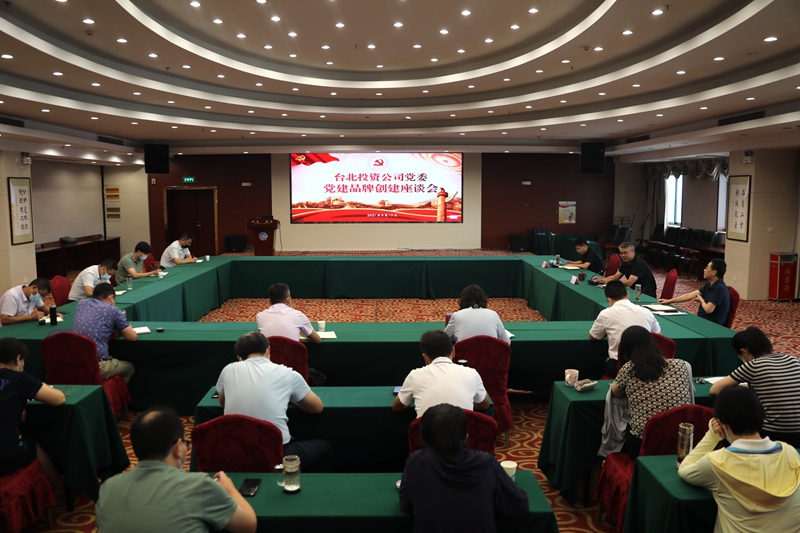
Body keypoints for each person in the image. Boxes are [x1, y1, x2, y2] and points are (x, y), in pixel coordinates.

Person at [96, 406, 257, 533]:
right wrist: (229, 488)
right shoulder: (199, 485)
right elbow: (248, 525)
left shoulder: (107, 488)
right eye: (185, 443)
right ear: (178, 448)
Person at [679, 386, 800, 533]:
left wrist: (712, 437)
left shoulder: (717, 462)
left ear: (722, 423)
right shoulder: (791, 454)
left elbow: (684, 469)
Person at [399, 404, 529, 533]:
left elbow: (405, 505)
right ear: (465, 435)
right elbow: (518, 506)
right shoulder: (487, 463)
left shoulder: (415, 462)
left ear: (424, 438)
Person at [215, 331, 332, 472]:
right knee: (324, 447)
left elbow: (223, 403)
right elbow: (316, 407)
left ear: (239, 357)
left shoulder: (227, 370)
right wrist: (290, 397)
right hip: (276, 452)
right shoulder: (287, 374)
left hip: (234, 449)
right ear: (268, 350)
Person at [709, 327, 800, 447]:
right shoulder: (793, 360)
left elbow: (715, 389)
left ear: (744, 352)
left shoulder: (753, 365)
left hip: (773, 433)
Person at [611, 325, 692, 458]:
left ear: (625, 350)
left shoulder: (629, 369)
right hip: (680, 440)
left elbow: (616, 393)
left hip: (644, 443)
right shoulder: (681, 365)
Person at [0, 338, 66, 499]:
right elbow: (58, 399)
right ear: (18, 359)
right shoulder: (17, 379)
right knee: (32, 445)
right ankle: (60, 488)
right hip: (4, 457)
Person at [393, 330, 490, 417]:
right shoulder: (472, 374)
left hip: (427, 431)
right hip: (462, 430)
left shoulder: (415, 375)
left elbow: (397, 406)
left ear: (425, 357)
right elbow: (484, 405)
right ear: (453, 351)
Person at [589, 280, 661, 377]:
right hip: (646, 364)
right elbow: (658, 335)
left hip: (619, 365)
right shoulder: (646, 311)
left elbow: (593, 337)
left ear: (609, 299)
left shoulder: (606, 313)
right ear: (627, 294)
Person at [72, 283, 136, 383]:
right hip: (96, 365)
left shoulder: (81, 303)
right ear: (110, 298)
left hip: (74, 361)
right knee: (129, 368)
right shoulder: (112, 310)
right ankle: (114, 392)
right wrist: (128, 327)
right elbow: (132, 337)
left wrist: (110, 336)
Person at [659, 258, 730, 325]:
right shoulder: (709, 285)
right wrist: (669, 300)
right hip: (702, 320)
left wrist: (701, 300)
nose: (704, 270)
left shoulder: (720, 288)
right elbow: (690, 295)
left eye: (707, 268)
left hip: (711, 325)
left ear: (714, 272)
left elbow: (708, 310)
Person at [443, 284, 510, 344]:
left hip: (464, 354)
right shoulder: (493, 314)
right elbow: (506, 342)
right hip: (490, 354)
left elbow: (444, 339)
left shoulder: (457, 316)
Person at [256, 283, 321, 343]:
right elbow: (317, 340)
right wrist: (305, 334)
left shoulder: (260, 316)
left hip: (269, 352)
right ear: (288, 299)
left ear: (269, 301)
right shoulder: (298, 315)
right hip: (292, 352)